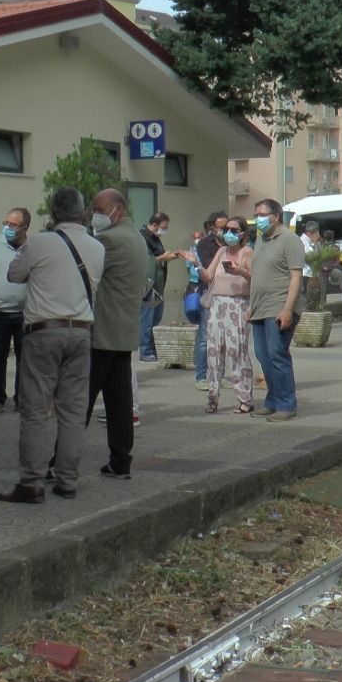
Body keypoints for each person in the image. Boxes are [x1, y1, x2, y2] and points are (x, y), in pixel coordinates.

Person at [0, 187, 105, 502]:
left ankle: (31, 483)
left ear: (53, 214)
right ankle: (67, 481)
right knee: (73, 410)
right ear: (83, 213)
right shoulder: (97, 247)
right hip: (81, 331)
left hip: (43, 331)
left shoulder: (39, 242)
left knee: (35, 409)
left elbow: (14, 274)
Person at [86, 188, 150, 479]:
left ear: (118, 210)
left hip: (103, 332)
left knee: (81, 400)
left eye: (100, 209)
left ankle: (60, 462)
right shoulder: (135, 237)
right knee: (119, 402)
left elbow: (86, 274)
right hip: (124, 331)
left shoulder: (109, 240)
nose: (95, 215)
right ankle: (120, 461)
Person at [248, 199, 305, 421]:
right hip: (260, 308)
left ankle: (286, 404)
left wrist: (288, 310)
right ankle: (272, 400)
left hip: (279, 306)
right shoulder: (261, 240)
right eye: (256, 214)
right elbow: (259, 275)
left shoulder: (290, 240)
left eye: (262, 214)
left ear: (276, 216)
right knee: (263, 355)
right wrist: (251, 306)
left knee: (277, 354)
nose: (258, 219)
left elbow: (296, 276)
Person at [198, 216, 255, 414]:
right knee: (213, 352)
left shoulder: (247, 252)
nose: (229, 233)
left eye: (233, 229)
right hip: (217, 304)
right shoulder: (221, 251)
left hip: (238, 305)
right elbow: (208, 275)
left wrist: (241, 271)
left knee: (237, 352)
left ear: (242, 234)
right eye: (227, 229)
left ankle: (245, 399)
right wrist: (196, 263)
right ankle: (212, 397)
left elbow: (256, 280)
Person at [0, 207, 31, 415]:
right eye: (6, 223)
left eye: (13, 225)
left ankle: (21, 399)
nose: (8, 228)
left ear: (25, 227)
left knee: (25, 358)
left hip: (25, 312)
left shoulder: (32, 246)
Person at [136, 211, 181, 362]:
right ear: (154, 225)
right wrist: (164, 257)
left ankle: (152, 348)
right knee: (146, 319)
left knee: (155, 318)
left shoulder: (155, 238)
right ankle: (145, 350)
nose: (164, 231)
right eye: (163, 227)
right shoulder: (143, 237)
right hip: (148, 285)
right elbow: (147, 260)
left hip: (158, 285)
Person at [192, 212, 228, 390]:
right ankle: (201, 375)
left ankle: (220, 374)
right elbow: (207, 268)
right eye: (221, 227)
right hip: (211, 292)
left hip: (229, 293)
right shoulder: (205, 244)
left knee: (224, 338)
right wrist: (223, 253)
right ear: (212, 227)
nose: (224, 230)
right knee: (205, 337)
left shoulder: (233, 242)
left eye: (226, 226)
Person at [300, 221, 319, 299]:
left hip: (309, 273)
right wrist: (313, 243)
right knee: (305, 295)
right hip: (305, 273)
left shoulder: (309, 240)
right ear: (313, 232)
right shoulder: (303, 240)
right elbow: (307, 256)